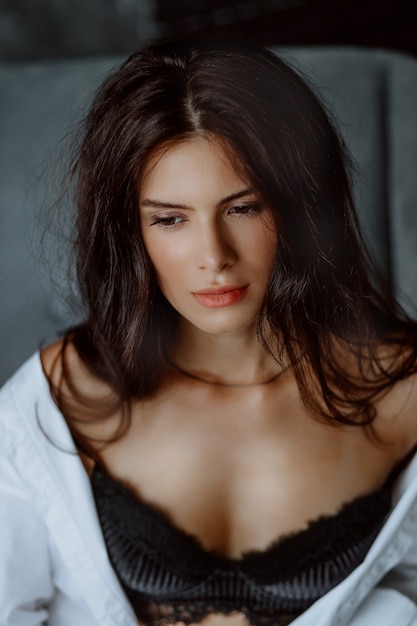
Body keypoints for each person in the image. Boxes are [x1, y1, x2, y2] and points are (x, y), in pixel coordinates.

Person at [1, 38, 417, 626]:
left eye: (244, 208)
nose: (213, 256)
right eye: (170, 219)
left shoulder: (399, 392)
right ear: (132, 232)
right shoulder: (62, 399)